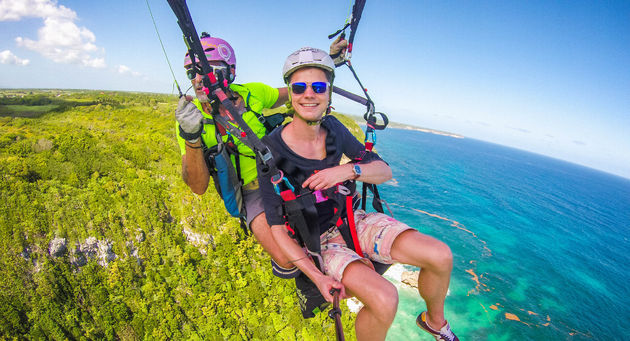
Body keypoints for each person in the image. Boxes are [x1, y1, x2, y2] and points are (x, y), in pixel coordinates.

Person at [257, 47, 459, 341]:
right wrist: (317, 277)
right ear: (290, 93)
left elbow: (383, 171)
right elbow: (276, 228)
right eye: (299, 88)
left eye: (318, 87)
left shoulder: (334, 128)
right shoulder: (270, 152)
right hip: (318, 240)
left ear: (329, 94)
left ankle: (434, 322)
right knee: (385, 298)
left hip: (351, 217)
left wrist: (348, 170)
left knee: (440, 256)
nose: (309, 94)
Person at [174, 33, 296, 277]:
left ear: (229, 73)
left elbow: (298, 92)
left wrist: (330, 65)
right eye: (191, 73)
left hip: (286, 170)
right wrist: (192, 137)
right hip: (252, 192)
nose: (198, 80)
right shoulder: (193, 119)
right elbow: (198, 187)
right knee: (287, 258)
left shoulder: (253, 93)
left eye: (208, 71)